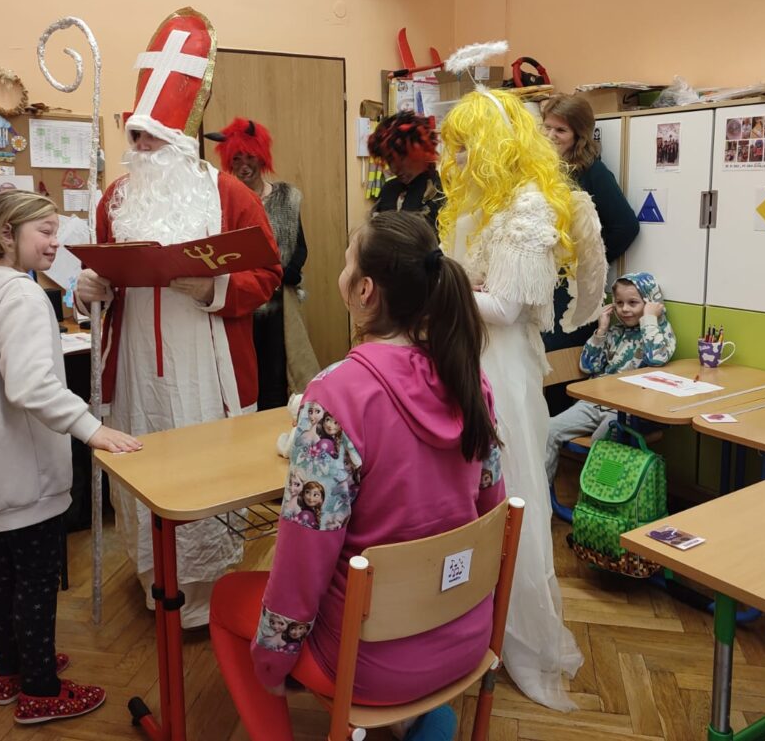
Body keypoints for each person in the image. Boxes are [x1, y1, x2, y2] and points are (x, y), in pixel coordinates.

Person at [208, 213, 505, 741]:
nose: (342, 274)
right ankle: (425, 719)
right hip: (465, 637)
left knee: (229, 596)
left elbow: (304, 557)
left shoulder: (337, 396)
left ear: (365, 290)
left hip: (369, 665)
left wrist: (274, 663)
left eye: (347, 264)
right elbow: (490, 517)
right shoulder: (468, 377)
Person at [75, 9, 282, 628]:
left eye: (151, 140)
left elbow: (268, 274)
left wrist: (215, 287)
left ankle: (210, 594)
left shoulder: (230, 196)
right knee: (145, 468)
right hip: (136, 369)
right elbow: (101, 275)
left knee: (207, 474)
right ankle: (155, 581)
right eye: (134, 137)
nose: (139, 150)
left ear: (180, 141)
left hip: (206, 369)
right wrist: (88, 291)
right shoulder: (115, 198)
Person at [0, 191, 143, 725]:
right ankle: (41, 690)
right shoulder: (24, 297)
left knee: (1, 576)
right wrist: (92, 429)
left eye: (57, 232)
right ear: (7, 235)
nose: (56, 244)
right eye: (45, 232)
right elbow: (31, 385)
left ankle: (13, 669)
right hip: (22, 475)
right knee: (34, 580)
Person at [438, 87, 607, 711]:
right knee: (461, 498)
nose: (454, 158)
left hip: (499, 369)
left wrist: (432, 288)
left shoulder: (529, 206)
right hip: (458, 357)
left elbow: (506, 308)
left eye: (464, 146)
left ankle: (518, 634)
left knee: (507, 493)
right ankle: (462, 625)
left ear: (491, 146)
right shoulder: (475, 202)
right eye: (453, 146)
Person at [206, 117, 320, 409]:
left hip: (278, 305)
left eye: (250, 157)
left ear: (262, 158)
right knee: (243, 375)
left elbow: (300, 247)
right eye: (236, 159)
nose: (244, 165)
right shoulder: (221, 202)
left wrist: (283, 274)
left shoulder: (286, 198)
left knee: (278, 374)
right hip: (240, 303)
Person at [543, 272, 676, 483]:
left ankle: (600, 494)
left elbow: (657, 358)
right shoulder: (614, 332)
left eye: (633, 303)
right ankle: (542, 493)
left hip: (631, 411)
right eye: (619, 303)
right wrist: (602, 330)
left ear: (651, 302)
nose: (624, 309)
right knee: (549, 430)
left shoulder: (661, 332)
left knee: (602, 439)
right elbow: (588, 366)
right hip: (596, 403)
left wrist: (650, 319)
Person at [540, 93, 639, 358]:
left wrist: (588, 260)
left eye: (560, 130)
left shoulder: (592, 171)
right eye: (547, 127)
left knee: (558, 362)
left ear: (579, 135)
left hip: (571, 292)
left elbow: (626, 226)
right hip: (542, 283)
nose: (550, 135)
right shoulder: (540, 168)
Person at [368, 111, 444, 233]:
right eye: (389, 160)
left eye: (402, 159)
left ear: (419, 152)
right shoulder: (389, 189)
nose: (394, 169)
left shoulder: (441, 191)